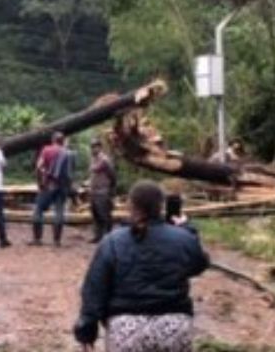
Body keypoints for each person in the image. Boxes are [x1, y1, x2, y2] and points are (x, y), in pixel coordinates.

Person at [73, 181, 210, 352]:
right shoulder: (183, 238)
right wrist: (186, 229)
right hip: (174, 327)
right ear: (161, 206)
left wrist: (87, 327)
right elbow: (199, 265)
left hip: (126, 330)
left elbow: (95, 287)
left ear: (130, 205)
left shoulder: (113, 241)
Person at [31, 131, 76, 246]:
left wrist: (40, 183)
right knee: (59, 211)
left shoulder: (46, 150)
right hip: (62, 186)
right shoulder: (69, 153)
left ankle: (37, 239)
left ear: (53, 140)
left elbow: (39, 167)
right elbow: (71, 173)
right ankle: (57, 240)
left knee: (38, 209)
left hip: (48, 184)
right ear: (63, 141)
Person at [87, 137, 117, 242]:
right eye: (92, 147)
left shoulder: (105, 160)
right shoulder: (93, 159)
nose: (93, 149)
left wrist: (111, 189)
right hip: (94, 191)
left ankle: (108, 237)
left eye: (95, 146)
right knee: (95, 214)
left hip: (103, 191)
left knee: (104, 215)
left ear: (100, 147)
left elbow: (112, 175)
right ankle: (97, 236)